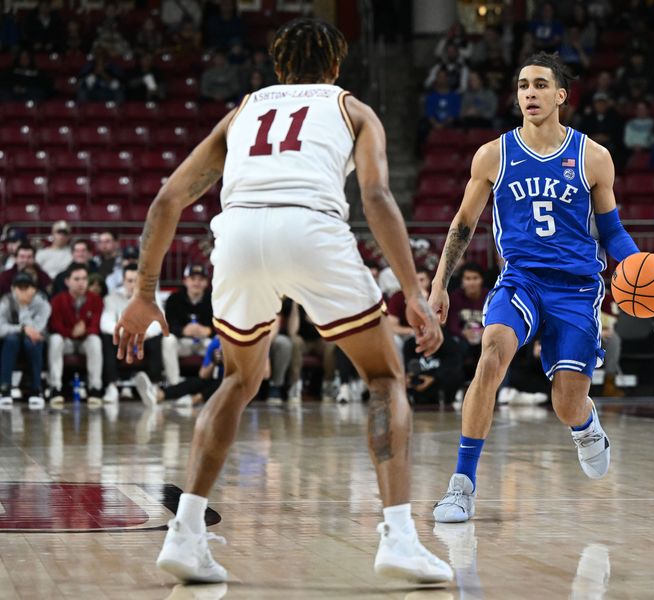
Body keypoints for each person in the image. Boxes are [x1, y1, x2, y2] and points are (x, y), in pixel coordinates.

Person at [114, 17, 452, 585]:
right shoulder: (353, 110)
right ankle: (398, 535)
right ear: (337, 67)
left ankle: (187, 532)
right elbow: (374, 195)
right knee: (385, 377)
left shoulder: (243, 110)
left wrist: (144, 294)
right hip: (310, 228)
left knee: (238, 381)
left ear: (277, 68)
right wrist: (413, 291)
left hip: (240, 234)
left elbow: (168, 198)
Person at [428, 52, 654, 524]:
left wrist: (640, 264)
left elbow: (611, 231)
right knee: (490, 356)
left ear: (560, 96)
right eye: (521, 85)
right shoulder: (494, 154)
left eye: (539, 85)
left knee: (566, 402)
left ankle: (585, 425)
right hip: (521, 279)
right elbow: (463, 224)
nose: (529, 93)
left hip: (576, 287)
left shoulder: (593, 157)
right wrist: (439, 284)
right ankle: (461, 486)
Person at [100, 264, 165, 404]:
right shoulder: (112, 297)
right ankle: (111, 386)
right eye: (129, 281)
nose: (133, 285)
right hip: (122, 337)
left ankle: (154, 386)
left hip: (144, 337)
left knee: (157, 339)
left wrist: (143, 333)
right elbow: (105, 323)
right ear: (123, 282)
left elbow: (159, 322)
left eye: (137, 281)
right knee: (107, 339)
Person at [48, 263, 104, 407]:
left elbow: (96, 326)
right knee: (55, 340)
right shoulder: (57, 300)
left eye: (84, 279)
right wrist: (72, 333)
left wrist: (83, 331)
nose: (81, 283)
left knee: (95, 341)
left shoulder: (96, 299)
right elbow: (55, 326)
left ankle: (95, 388)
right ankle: (56, 388)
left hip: (85, 341)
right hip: (66, 341)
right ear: (67, 281)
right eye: (77, 279)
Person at [0, 272, 50, 407]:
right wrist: (22, 329)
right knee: (11, 340)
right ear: (12, 288)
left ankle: (36, 389)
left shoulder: (42, 303)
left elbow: (37, 330)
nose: (22, 291)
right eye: (19, 287)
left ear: (33, 289)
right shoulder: (6, 301)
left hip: (34, 343)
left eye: (26, 287)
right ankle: (4, 389)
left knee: (32, 342)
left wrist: (23, 307)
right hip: (10, 343)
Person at [162, 264, 214, 385]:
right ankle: (174, 385)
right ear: (185, 281)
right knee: (168, 340)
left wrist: (209, 331)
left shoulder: (213, 299)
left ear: (206, 282)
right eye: (193, 279)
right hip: (182, 342)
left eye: (201, 279)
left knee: (218, 343)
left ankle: (212, 385)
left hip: (205, 342)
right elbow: (167, 326)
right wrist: (183, 330)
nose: (196, 283)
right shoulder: (174, 299)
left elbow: (222, 325)